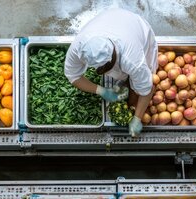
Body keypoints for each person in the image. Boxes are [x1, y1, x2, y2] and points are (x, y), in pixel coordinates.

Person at [65, 8, 158, 137]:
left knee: (145, 74)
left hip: (134, 27)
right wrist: (101, 90)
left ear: (113, 56)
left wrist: (137, 119)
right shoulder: (80, 47)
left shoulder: (133, 59)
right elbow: (72, 75)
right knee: (132, 78)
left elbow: (147, 90)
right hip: (109, 19)